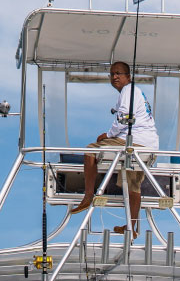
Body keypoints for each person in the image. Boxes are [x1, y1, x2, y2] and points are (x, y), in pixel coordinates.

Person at [68, 61, 159, 236]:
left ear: (128, 77)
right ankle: (132, 227)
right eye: (112, 74)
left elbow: (124, 117)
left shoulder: (128, 91)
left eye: (119, 73)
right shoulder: (136, 92)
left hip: (134, 142)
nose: (115, 77)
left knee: (91, 151)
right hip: (149, 145)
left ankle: (88, 196)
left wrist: (108, 135)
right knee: (133, 185)